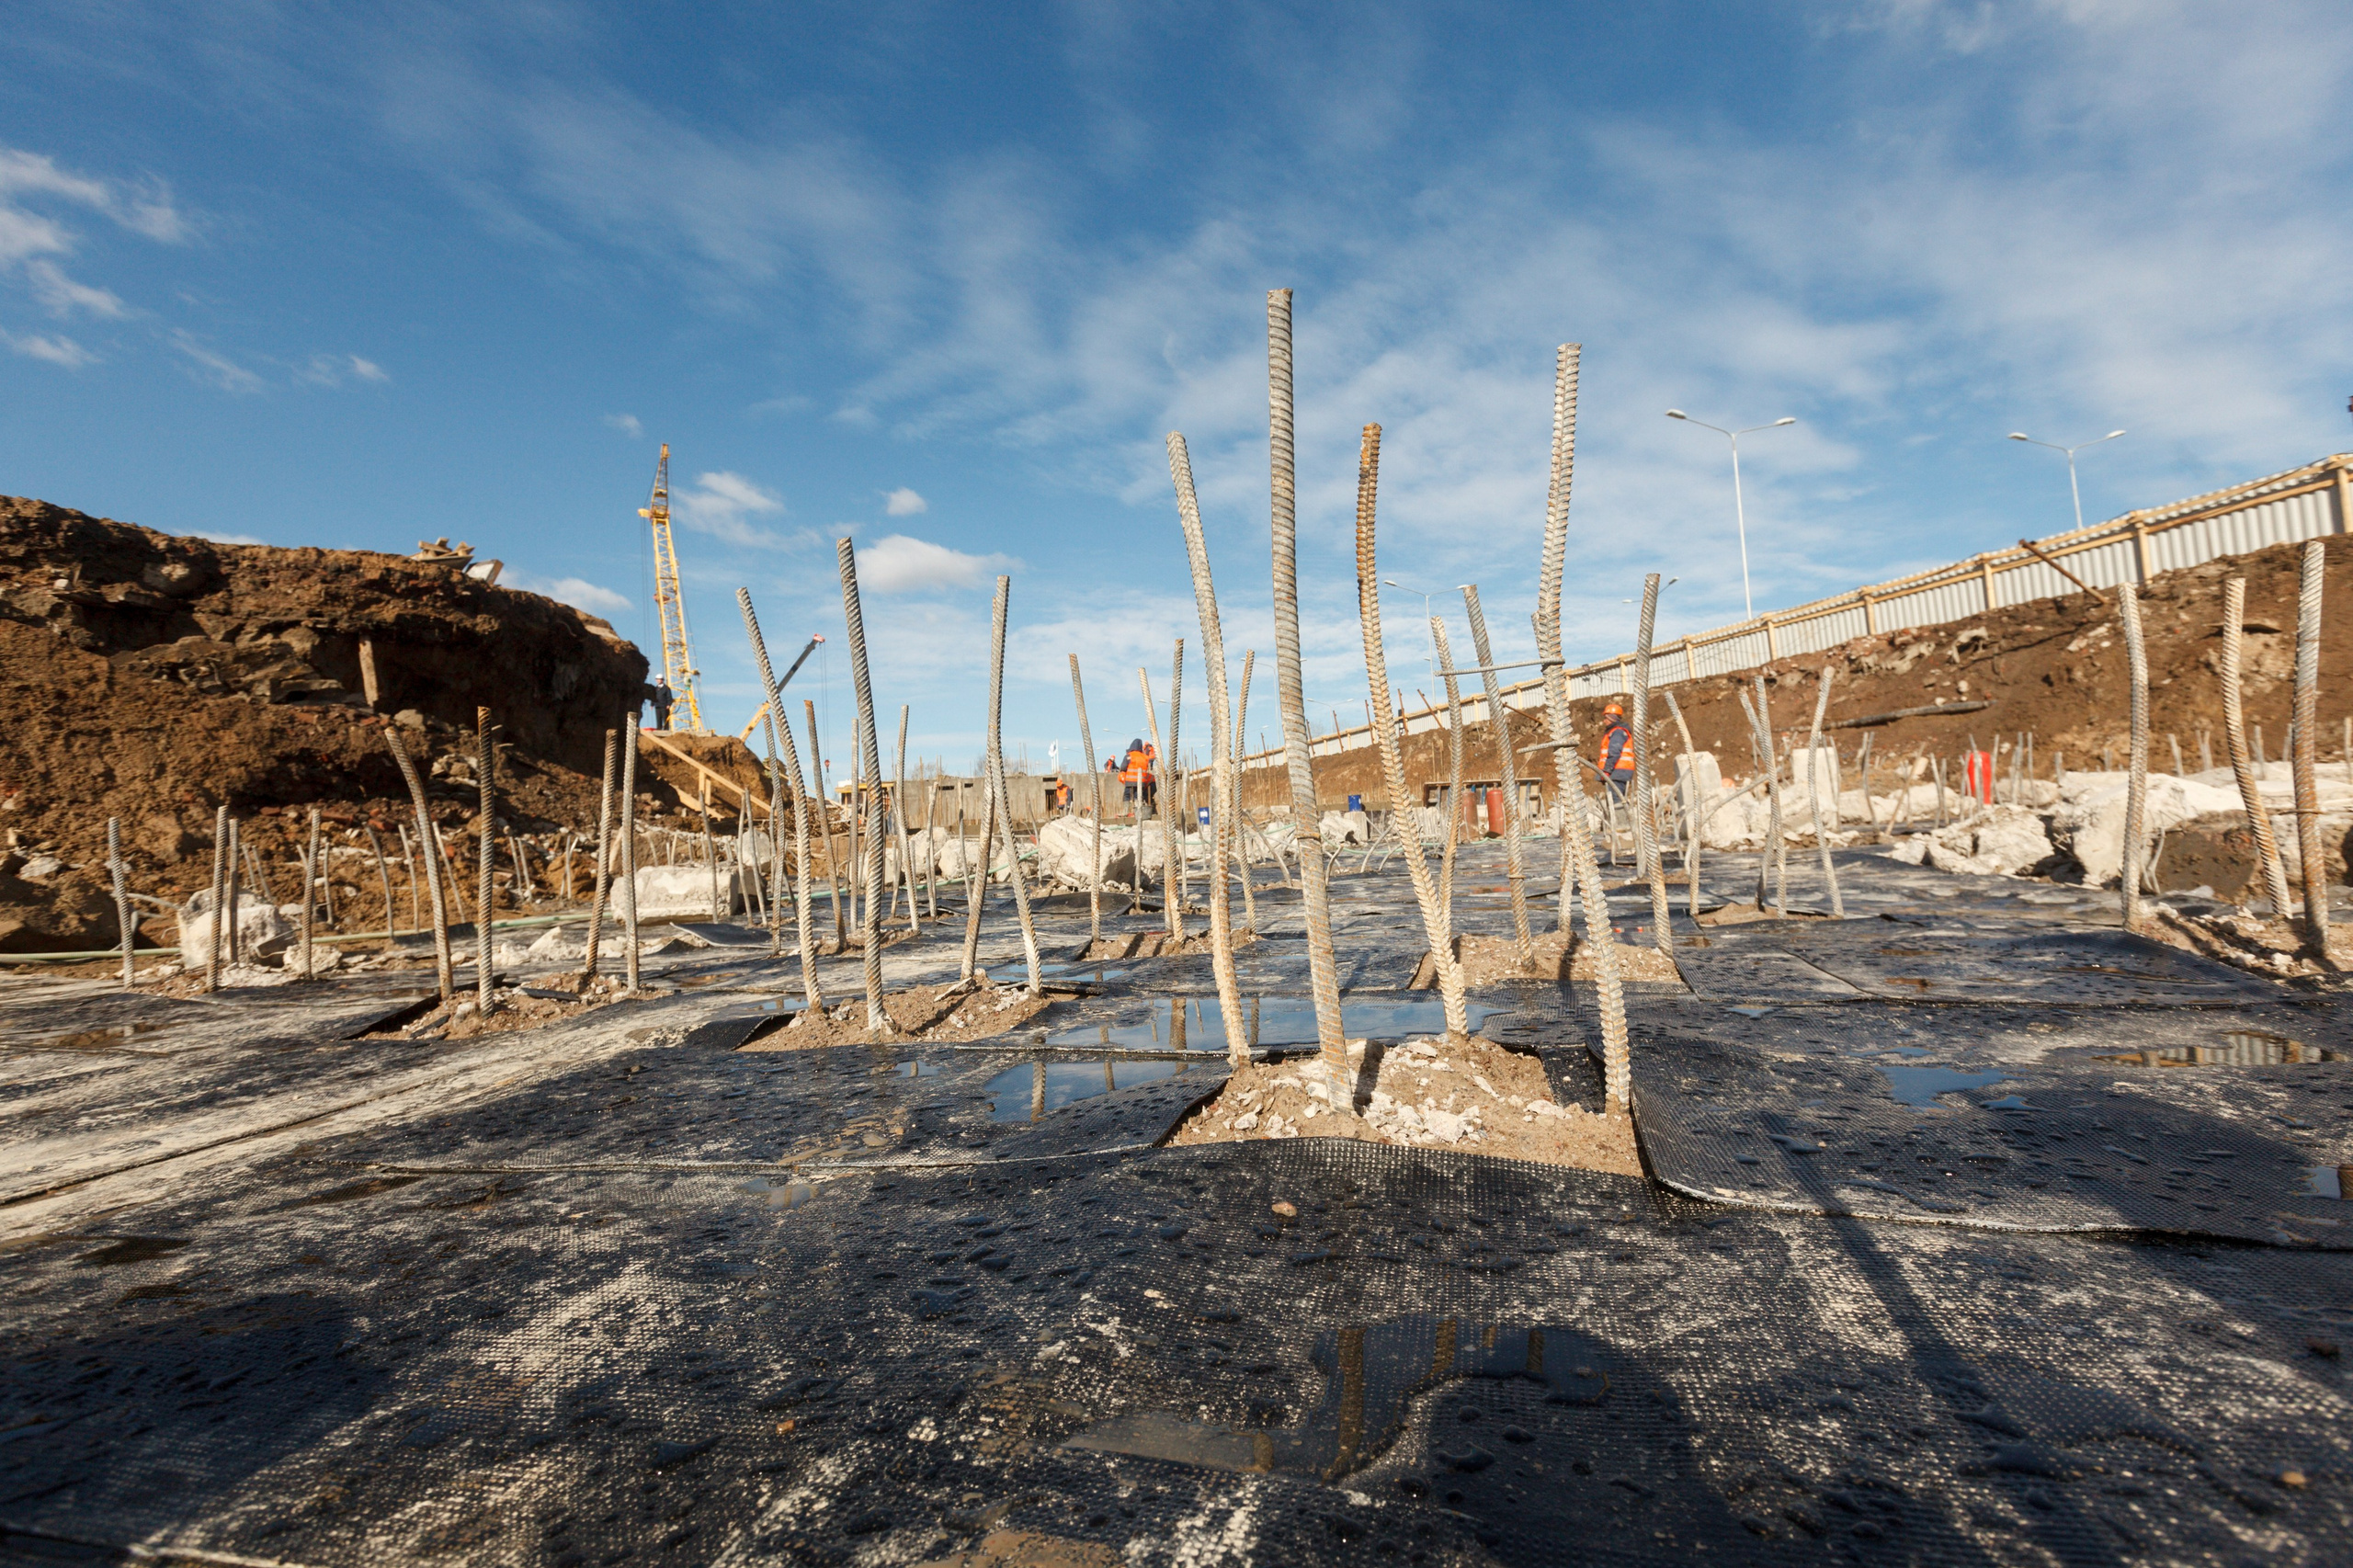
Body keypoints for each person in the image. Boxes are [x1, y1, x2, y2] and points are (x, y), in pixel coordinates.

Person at [1597, 699, 1634, 803]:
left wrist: (1607, 770)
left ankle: (1620, 819)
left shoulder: (1617, 732)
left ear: (1611, 718)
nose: (1604, 721)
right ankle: (1620, 818)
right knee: (1617, 799)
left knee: (1616, 801)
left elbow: (1614, 753)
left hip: (1618, 772)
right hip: (1618, 772)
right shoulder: (1617, 731)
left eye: (1606, 718)